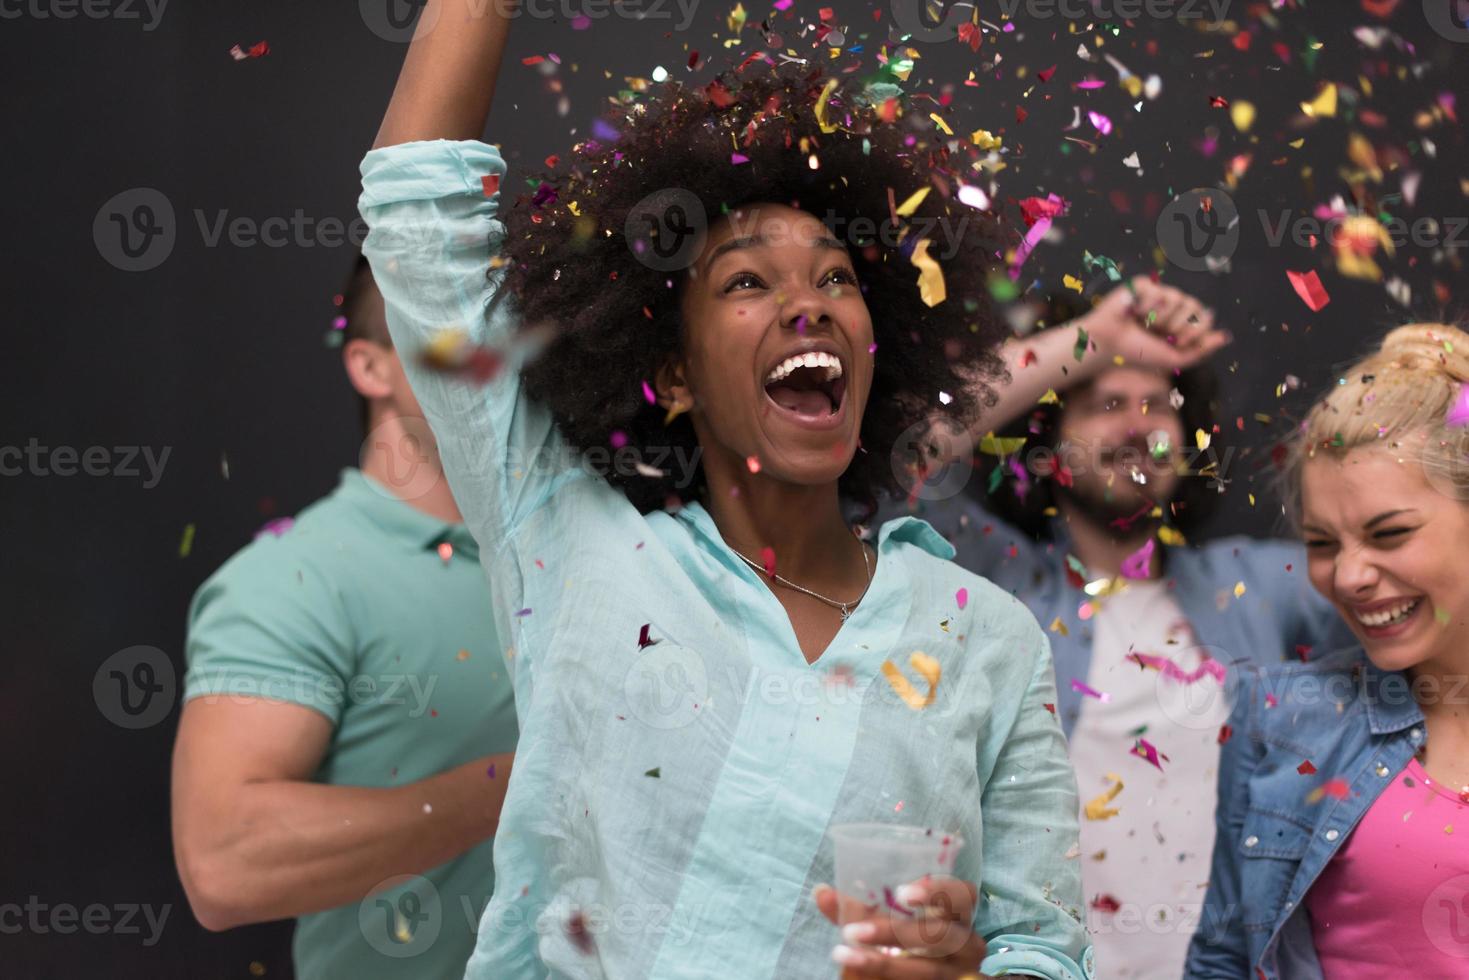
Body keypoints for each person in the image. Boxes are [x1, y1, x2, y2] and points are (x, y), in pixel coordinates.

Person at [357, 2, 1095, 977]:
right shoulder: (570, 540)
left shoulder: (988, 640)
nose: (806, 304)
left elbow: (1044, 952)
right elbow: (418, 220)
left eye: (836, 278)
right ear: (670, 375)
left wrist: (962, 970)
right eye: (747, 281)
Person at [896, 285, 1355, 979]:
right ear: (1047, 450)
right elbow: (901, 458)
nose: (1137, 426)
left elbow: (1421, 579)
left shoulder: (1257, 587)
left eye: (1158, 407)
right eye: (1105, 405)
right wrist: (1095, 337)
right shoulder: (996, 587)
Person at [171, 256, 518, 980]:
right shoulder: (296, 578)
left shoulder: (592, 553)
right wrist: (529, 782)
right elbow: (224, 862)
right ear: (370, 365)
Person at [1186, 322, 1469, 978]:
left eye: (1389, 533)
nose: (1346, 576)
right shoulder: (1283, 717)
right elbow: (1222, 960)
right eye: (1321, 544)